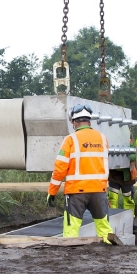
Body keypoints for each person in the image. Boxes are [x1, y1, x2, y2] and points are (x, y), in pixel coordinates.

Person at [47, 104, 114, 243]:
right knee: (105, 230)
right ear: (89, 121)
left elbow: (60, 168)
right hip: (98, 191)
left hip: (76, 192)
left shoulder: (70, 139)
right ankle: (112, 259)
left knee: (71, 231)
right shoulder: (103, 138)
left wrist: (52, 192)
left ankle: (70, 260)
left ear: (74, 122)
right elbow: (105, 166)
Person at [108, 138, 137, 216]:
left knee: (128, 200)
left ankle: (130, 220)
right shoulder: (110, 140)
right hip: (114, 176)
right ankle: (112, 218)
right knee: (112, 199)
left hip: (127, 177)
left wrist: (127, 159)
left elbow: (133, 154)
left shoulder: (128, 141)